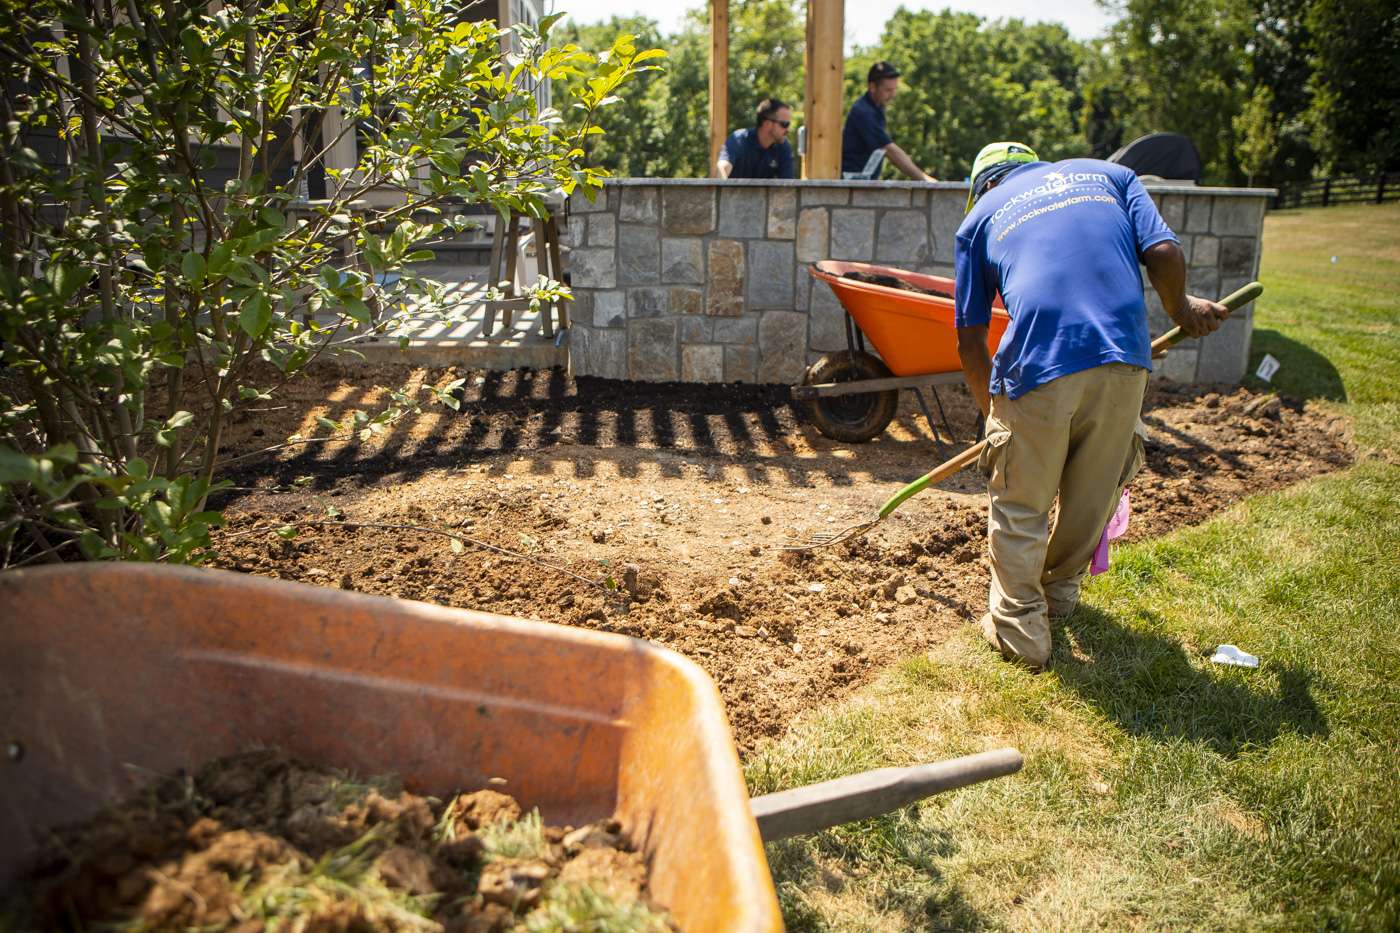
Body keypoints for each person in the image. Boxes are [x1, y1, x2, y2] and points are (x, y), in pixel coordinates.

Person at [954, 141, 1228, 671]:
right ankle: (1058, 598)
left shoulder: (980, 218)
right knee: (1091, 492)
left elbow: (969, 341)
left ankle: (1022, 630)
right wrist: (1182, 308)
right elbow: (1164, 254)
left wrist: (992, 412)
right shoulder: (1113, 176)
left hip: (1038, 363)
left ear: (982, 187)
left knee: (1021, 501)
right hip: (1125, 357)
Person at [841, 61, 934, 181]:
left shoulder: (876, 107)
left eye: (894, 89)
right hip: (851, 183)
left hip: (863, 182)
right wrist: (925, 180)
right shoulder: (863, 112)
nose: (893, 95)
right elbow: (890, 151)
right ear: (872, 87)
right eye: (888, 90)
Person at [717, 98, 795, 180]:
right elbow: (722, 168)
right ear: (767, 124)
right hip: (732, 193)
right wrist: (723, 188)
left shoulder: (783, 146)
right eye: (785, 124)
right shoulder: (739, 140)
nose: (788, 130)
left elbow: (787, 185)